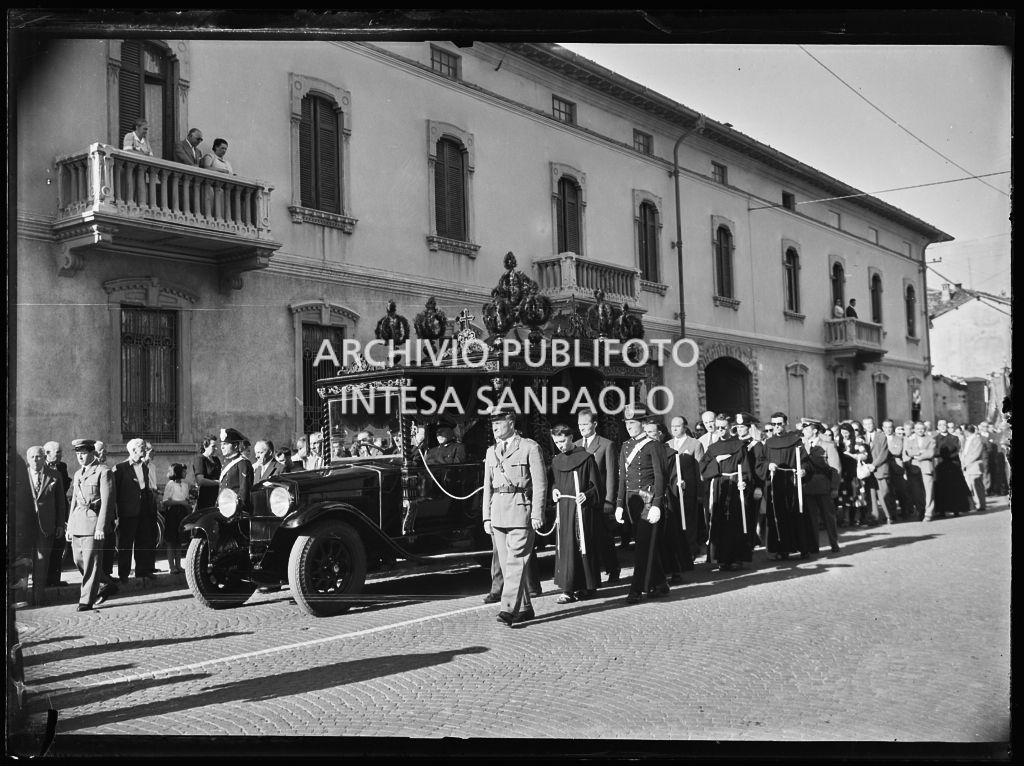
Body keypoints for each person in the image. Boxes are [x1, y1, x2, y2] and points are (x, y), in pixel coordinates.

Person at [482, 407, 547, 626]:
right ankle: (526, 608)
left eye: (499, 422)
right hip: (498, 513)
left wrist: (537, 512)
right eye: (492, 423)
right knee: (508, 564)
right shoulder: (492, 451)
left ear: (511, 422)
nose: (495, 427)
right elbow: (487, 487)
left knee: (516, 561)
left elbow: (540, 484)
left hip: (521, 511)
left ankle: (508, 608)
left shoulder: (529, 447)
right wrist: (486, 517)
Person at [615, 404, 668, 604]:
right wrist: (619, 503)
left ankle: (637, 589)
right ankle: (660, 582)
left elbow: (660, 476)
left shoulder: (653, 445)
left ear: (643, 423)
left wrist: (657, 503)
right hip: (631, 502)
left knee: (643, 547)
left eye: (633, 423)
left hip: (647, 499)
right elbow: (622, 478)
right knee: (644, 544)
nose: (629, 427)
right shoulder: (626, 446)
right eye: (627, 423)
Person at [549, 424, 602, 604]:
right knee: (565, 547)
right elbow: (556, 482)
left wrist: (586, 494)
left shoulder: (586, 458)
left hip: (581, 509)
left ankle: (587, 586)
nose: (560, 445)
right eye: (556, 442)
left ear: (571, 438)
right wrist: (554, 490)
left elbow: (597, 486)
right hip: (563, 508)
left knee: (581, 545)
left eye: (562, 441)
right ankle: (568, 588)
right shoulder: (556, 461)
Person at [698, 413, 755, 571]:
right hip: (718, 486)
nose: (720, 430)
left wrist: (744, 481)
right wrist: (716, 461)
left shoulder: (739, 445)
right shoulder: (712, 448)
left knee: (735, 522)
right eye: (718, 428)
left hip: (735, 485)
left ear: (730, 428)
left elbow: (746, 468)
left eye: (723, 427)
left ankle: (736, 558)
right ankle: (722, 558)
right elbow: (702, 468)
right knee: (720, 522)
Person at [758, 411, 816, 560]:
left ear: (785, 423)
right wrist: (767, 465)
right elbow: (760, 462)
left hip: (793, 484)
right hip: (775, 485)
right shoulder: (768, 443)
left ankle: (803, 548)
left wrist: (804, 470)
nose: (777, 427)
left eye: (779, 424)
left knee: (798, 515)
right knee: (779, 517)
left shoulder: (795, 440)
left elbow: (806, 461)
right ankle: (782, 549)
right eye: (774, 424)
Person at [66, 439, 116, 611]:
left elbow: (108, 502)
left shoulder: (103, 471)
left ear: (92, 453)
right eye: (77, 453)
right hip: (78, 521)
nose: (80, 457)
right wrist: (69, 526)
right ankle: (106, 583)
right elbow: (73, 501)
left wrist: (101, 527)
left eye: (83, 453)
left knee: (90, 563)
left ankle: (86, 600)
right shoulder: (78, 473)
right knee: (78, 560)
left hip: (93, 522)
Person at [16, 446, 68, 606]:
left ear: (44, 457)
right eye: (32, 457)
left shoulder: (54, 475)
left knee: (42, 561)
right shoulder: (20, 476)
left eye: (38, 457)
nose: (35, 460)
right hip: (24, 527)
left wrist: (60, 524)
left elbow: (60, 503)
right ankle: (21, 598)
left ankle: (38, 597)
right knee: (22, 562)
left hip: (46, 526)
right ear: (27, 458)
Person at [576, 410, 620, 584]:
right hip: (582, 499)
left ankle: (613, 567)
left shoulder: (606, 445)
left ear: (594, 424)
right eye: (580, 425)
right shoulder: (577, 445)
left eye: (585, 424)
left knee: (603, 538)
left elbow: (611, 475)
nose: (582, 428)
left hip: (599, 499)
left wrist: (610, 500)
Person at [647, 417, 692, 584]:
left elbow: (673, 476)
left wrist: (678, 483)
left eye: (651, 432)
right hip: (648, 497)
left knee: (669, 536)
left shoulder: (670, 453)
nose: (648, 436)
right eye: (646, 432)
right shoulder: (643, 451)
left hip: (665, 499)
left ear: (660, 434)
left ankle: (674, 569)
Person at [112, 438, 160, 582]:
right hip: (127, 512)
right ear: (133, 450)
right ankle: (124, 574)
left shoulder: (145, 467)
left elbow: (144, 488)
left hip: (144, 510)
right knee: (125, 543)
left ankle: (142, 571)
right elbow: (115, 493)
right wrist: (116, 514)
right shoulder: (120, 468)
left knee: (143, 541)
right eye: (143, 448)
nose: (145, 451)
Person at [665, 415, 704, 558]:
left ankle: (691, 549)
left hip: (689, 489)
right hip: (673, 489)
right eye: (673, 426)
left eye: (678, 426)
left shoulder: (694, 444)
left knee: (689, 519)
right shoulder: (667, 444)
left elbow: (699, 469)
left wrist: (700, 492)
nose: (675, 429)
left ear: (685, 427)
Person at [800, 420, 841, 553]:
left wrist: (835, 487)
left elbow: (835, 468)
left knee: (828, 516)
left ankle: (834, 543)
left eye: (806, 429)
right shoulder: (802, 445)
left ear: (814, 430)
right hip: (807, 486)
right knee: (811, 519)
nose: (803, 432)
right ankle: (814, 546)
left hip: (823, 486)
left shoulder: (828, 445)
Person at [42, 441, 72, 587]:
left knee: (59, 545)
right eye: (57, 452)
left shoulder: (62, 467)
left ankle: (54, 579)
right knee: (44, 548)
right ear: (47, 453)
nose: (60, 455)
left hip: (60, 510)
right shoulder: (39, 467)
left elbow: (64, 488)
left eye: (60, 452)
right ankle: (43, 580)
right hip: (45, 512)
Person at [734, 412, 766, 548]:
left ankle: (751, 542)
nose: (739, 429)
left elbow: (759, 468)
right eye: (738, 427)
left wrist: (759, 487)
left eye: (742, 427)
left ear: (748, 427)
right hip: (737, 483)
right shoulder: (734, 443)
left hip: (752, 484)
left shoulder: (756, 445)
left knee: (751, 515)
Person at [933, 419, 971, 517]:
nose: (942, 427)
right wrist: (944, 453)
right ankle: (941, 510)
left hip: (953, 467)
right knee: (941, 489)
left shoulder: (954, 438)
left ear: (947, 426)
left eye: (944, 425)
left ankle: (956, 509)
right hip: (941, 467)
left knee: (954, 489)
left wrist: (944, 453)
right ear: (937, 427)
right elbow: (935, 451)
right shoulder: (935, 438)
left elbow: (956, 449)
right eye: (940, 425)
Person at [861, 417, 895, 525]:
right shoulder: (861, 438)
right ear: (863, 426)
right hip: (867, 471)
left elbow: (883, 453)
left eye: (870, 424)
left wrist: (874, 465)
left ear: (874, 424)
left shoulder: (881, 436)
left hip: (879, 468)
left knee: (884, 494)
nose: (868, 426)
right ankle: (874, 517)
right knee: (870, 495)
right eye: (866, 425)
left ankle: (889, 516)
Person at [902, 420, 936, 521]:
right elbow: (908, 451)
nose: (920, 430)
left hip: (926, 468)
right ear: (914, 430)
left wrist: (918, 456)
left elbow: (931, 453)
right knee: (917, 492)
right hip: (914, 468)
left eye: (922, 429)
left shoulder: (931, 439)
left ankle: (929, 512)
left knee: (928, 492)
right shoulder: (910, 440)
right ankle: (921, 510)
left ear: (925, 429)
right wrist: (920, 451)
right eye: (917, 429)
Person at [161, 463, 191, 574]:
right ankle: (171, 566)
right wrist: (181, 503)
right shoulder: (170, 484)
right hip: (173, 513)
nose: (185, 473)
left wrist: (187, 505)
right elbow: (166, 502)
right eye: (183, 471)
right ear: (177, 472)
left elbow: (186, 499)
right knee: (171, 540)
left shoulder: (185, 485)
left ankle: (178, 565)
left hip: (182, 513)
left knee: (179, 540)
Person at [219, 427, 254, 515]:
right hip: (225, 508)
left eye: (226, 444)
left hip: (235, 511)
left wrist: (239, 509)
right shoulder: (226, 463)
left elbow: (244, 490)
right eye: (221, 444)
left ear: (235, 446)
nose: (222, 447)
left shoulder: (243, 463)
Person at [882, 419, 912, 519]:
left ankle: (905, 511)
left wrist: (884, 452)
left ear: (893, 428)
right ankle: (892, 513)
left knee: (901, 490)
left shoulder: (898, 439)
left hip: (897, 467)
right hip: (884, 467)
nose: (888, 429)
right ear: (883, 428)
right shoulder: (880, 438)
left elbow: (897, 451)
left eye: (890, 427)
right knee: (888, 491)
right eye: (886, 427)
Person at [960, 424, 987, 512]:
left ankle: (981, 504)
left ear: (967, 431)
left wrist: (966, 463)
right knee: (969, 487)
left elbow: (976, 453)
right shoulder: (966, 440)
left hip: (974, 466)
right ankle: (973, 505)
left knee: (977, 487)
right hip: (967, 467)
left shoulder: (977, 439)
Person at [192, 435, 222, 511]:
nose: (216, 449)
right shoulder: (200, 459)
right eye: (213, 446)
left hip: (218, 497)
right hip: (205, 499)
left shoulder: (216, 460)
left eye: (216, 446)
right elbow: (200, 480)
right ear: (205, 446)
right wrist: (216, 483)